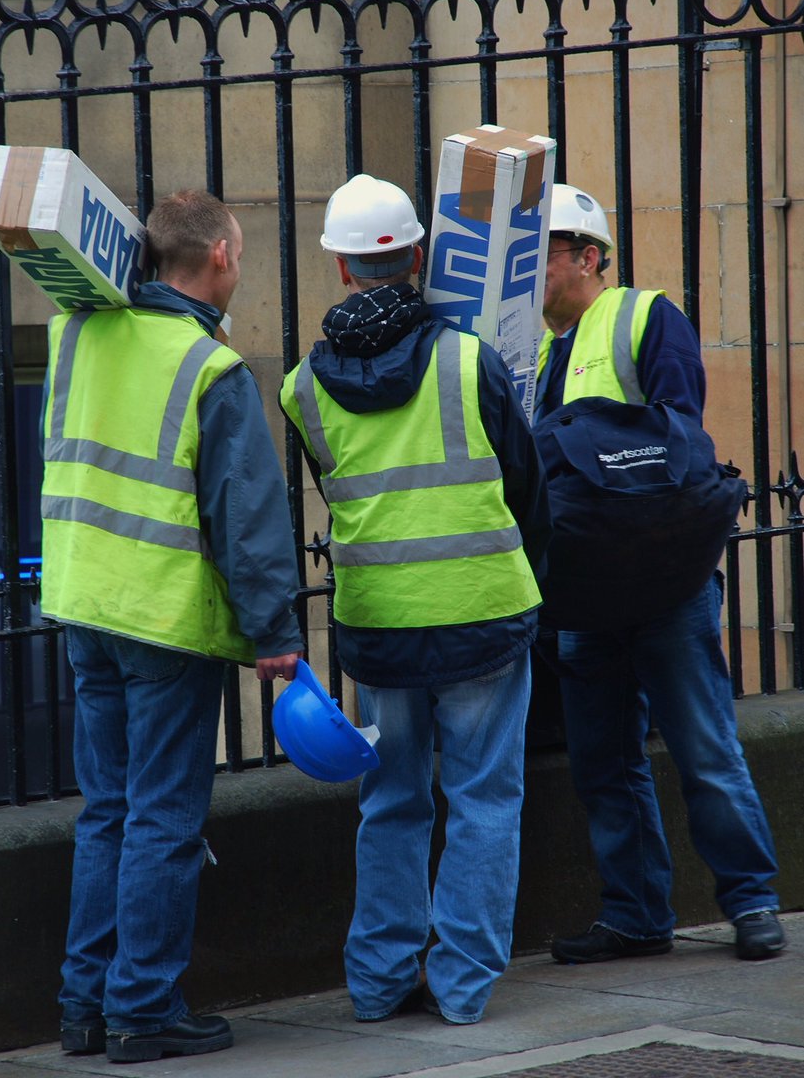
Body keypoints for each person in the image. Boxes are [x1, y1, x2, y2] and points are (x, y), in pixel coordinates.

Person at [279, 174, 551, 1025]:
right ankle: (463, 986)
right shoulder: (470, 359)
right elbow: (524, 486)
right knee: (483, 801)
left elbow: (344, 490)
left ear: (337, 266)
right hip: (481, 612)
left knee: (392, 800)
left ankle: (377, 981)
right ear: (419, 257)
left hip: (380, 625)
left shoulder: (300, 387)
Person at [41, 190, 303, 1062]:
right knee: (161, 818)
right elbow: (247, 515)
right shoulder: (208, 368)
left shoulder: (74, 336)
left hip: (84, 601)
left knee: (106, 811)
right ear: (221, 257)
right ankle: (144, 1009)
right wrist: (273, 631)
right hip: (161, 617)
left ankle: (84, 1005)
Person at [534, 182, 786, 965]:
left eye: (539, 257)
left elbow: (680, 444)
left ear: (588, 257)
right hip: (583, 594)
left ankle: (751, 901)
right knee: (604, 765)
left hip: (662, 585)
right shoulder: (535, 357)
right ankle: (637, 915)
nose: (527, 275)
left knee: (703, 747)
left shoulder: (643, 316)